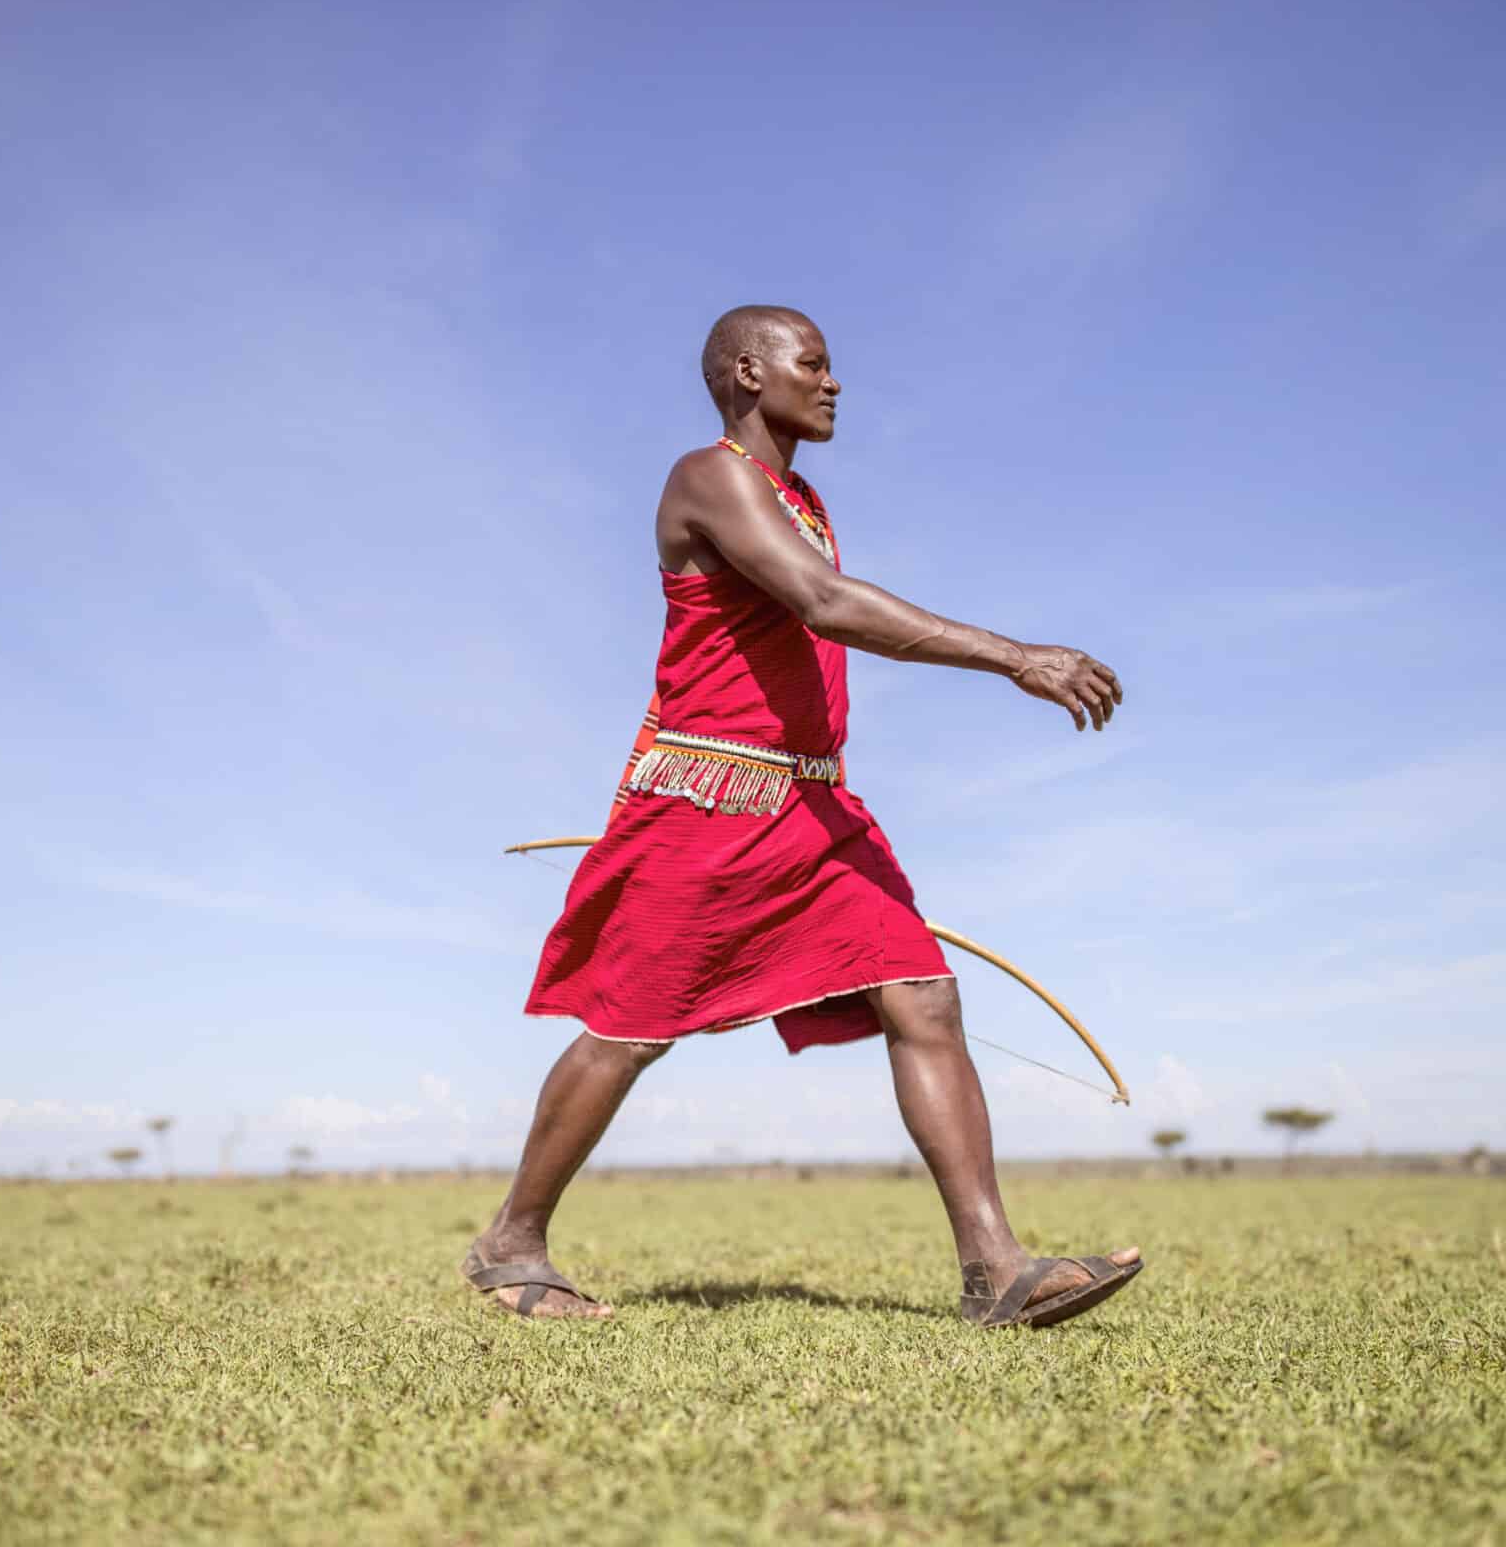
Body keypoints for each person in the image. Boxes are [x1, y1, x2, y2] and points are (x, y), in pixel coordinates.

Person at [462, 305, 1142, 1328]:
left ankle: (993, 1269)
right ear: (748, 372)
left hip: (812, 806)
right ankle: (511, 1243)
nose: (832, 384)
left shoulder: (800, 495)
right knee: (629, 1029)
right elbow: (824, 605)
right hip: (706, 801)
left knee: (922, 996)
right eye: (813, 365)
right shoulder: (710, 476)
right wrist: (1017, 657)